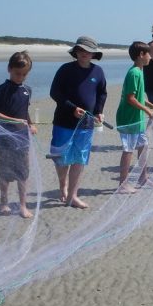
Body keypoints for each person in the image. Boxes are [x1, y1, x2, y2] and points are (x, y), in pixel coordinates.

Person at [49, 35, 107, 209]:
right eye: (81, 50)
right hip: (64, 122)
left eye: (88, 51)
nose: (84, 53)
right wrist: (71, 108)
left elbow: (102, 93)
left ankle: (73, 196)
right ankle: (63, 187)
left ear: (93, 54)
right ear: (76, 52)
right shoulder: (65, 69)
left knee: (79, 159)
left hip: (86, 124)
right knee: (61, 158)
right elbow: (55, 92)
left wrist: (99, 112)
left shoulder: (98, 72)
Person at [0, 51, 37, 218]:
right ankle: (4, 202)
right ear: (9, 69)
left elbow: (24, 112)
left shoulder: (27, 90)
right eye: (17, 73)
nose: (20, 77)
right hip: (5, 139)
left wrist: (30, 124)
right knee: (6, 172)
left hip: (23, 138)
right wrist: (16, 121)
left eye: (24, 74)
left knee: (23, 172)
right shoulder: (2, 89)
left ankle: (23, 205)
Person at [116, 41, 153, 193]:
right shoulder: (134, 72)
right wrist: (147, 110)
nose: (150, 57)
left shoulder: (140, 71)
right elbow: (130, 98)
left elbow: (140, 96)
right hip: (128, 119)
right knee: (128, 150)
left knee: (143, 147)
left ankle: (144, 178)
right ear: (141, 55)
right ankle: (123, 183)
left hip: (137, 119)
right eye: (148, 54)